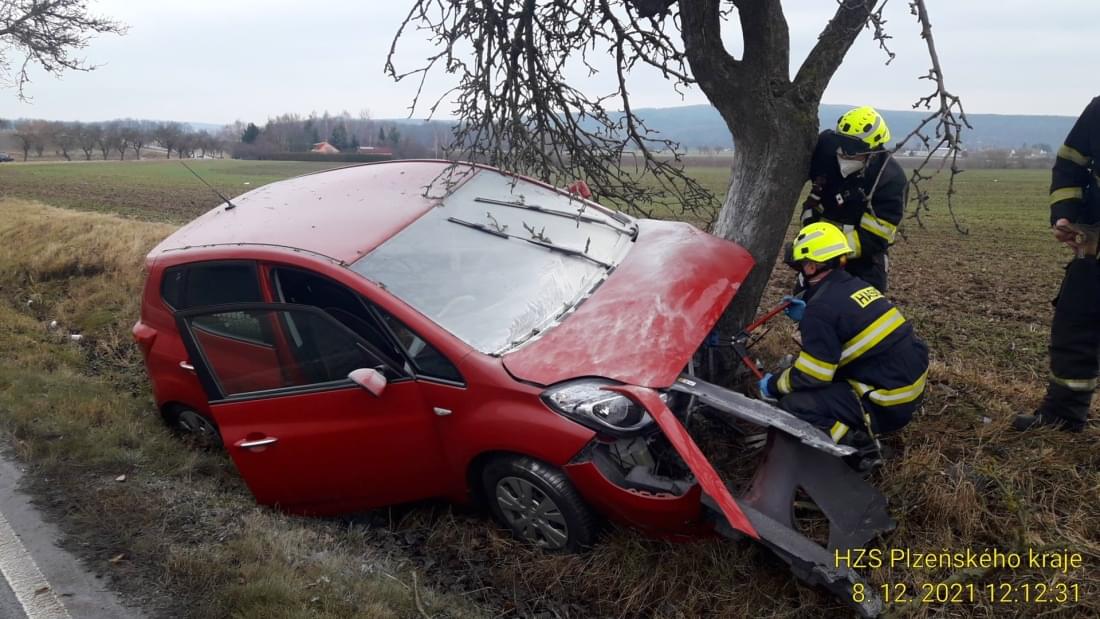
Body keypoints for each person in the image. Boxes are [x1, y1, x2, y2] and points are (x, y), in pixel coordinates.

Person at [758, 222, 929, 445]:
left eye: (800, 265)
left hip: (886, 404)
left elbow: (812, 376)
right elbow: (843, 324)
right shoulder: (857, 285)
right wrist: (809, 312)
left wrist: (773, 385)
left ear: (811, 267)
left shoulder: (821, 310)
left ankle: (859, 445)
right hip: (906, 388)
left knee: (794, 405)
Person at [1014, 96, 1100, 433]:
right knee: (1074, 326)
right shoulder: (1098, 110)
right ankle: (1063, 416)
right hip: (1093, 249)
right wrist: (1066, 215)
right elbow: (1068, 165)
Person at [800, 106, 907, 293]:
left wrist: (827, 252)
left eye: (853, 150)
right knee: (808, 305)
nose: (843, 154)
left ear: (873, 151)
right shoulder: (826, 149)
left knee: (859, 310)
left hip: (863, 265)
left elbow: (875, 238)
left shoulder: (889, 179)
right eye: (841, 144)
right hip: (816, 259)